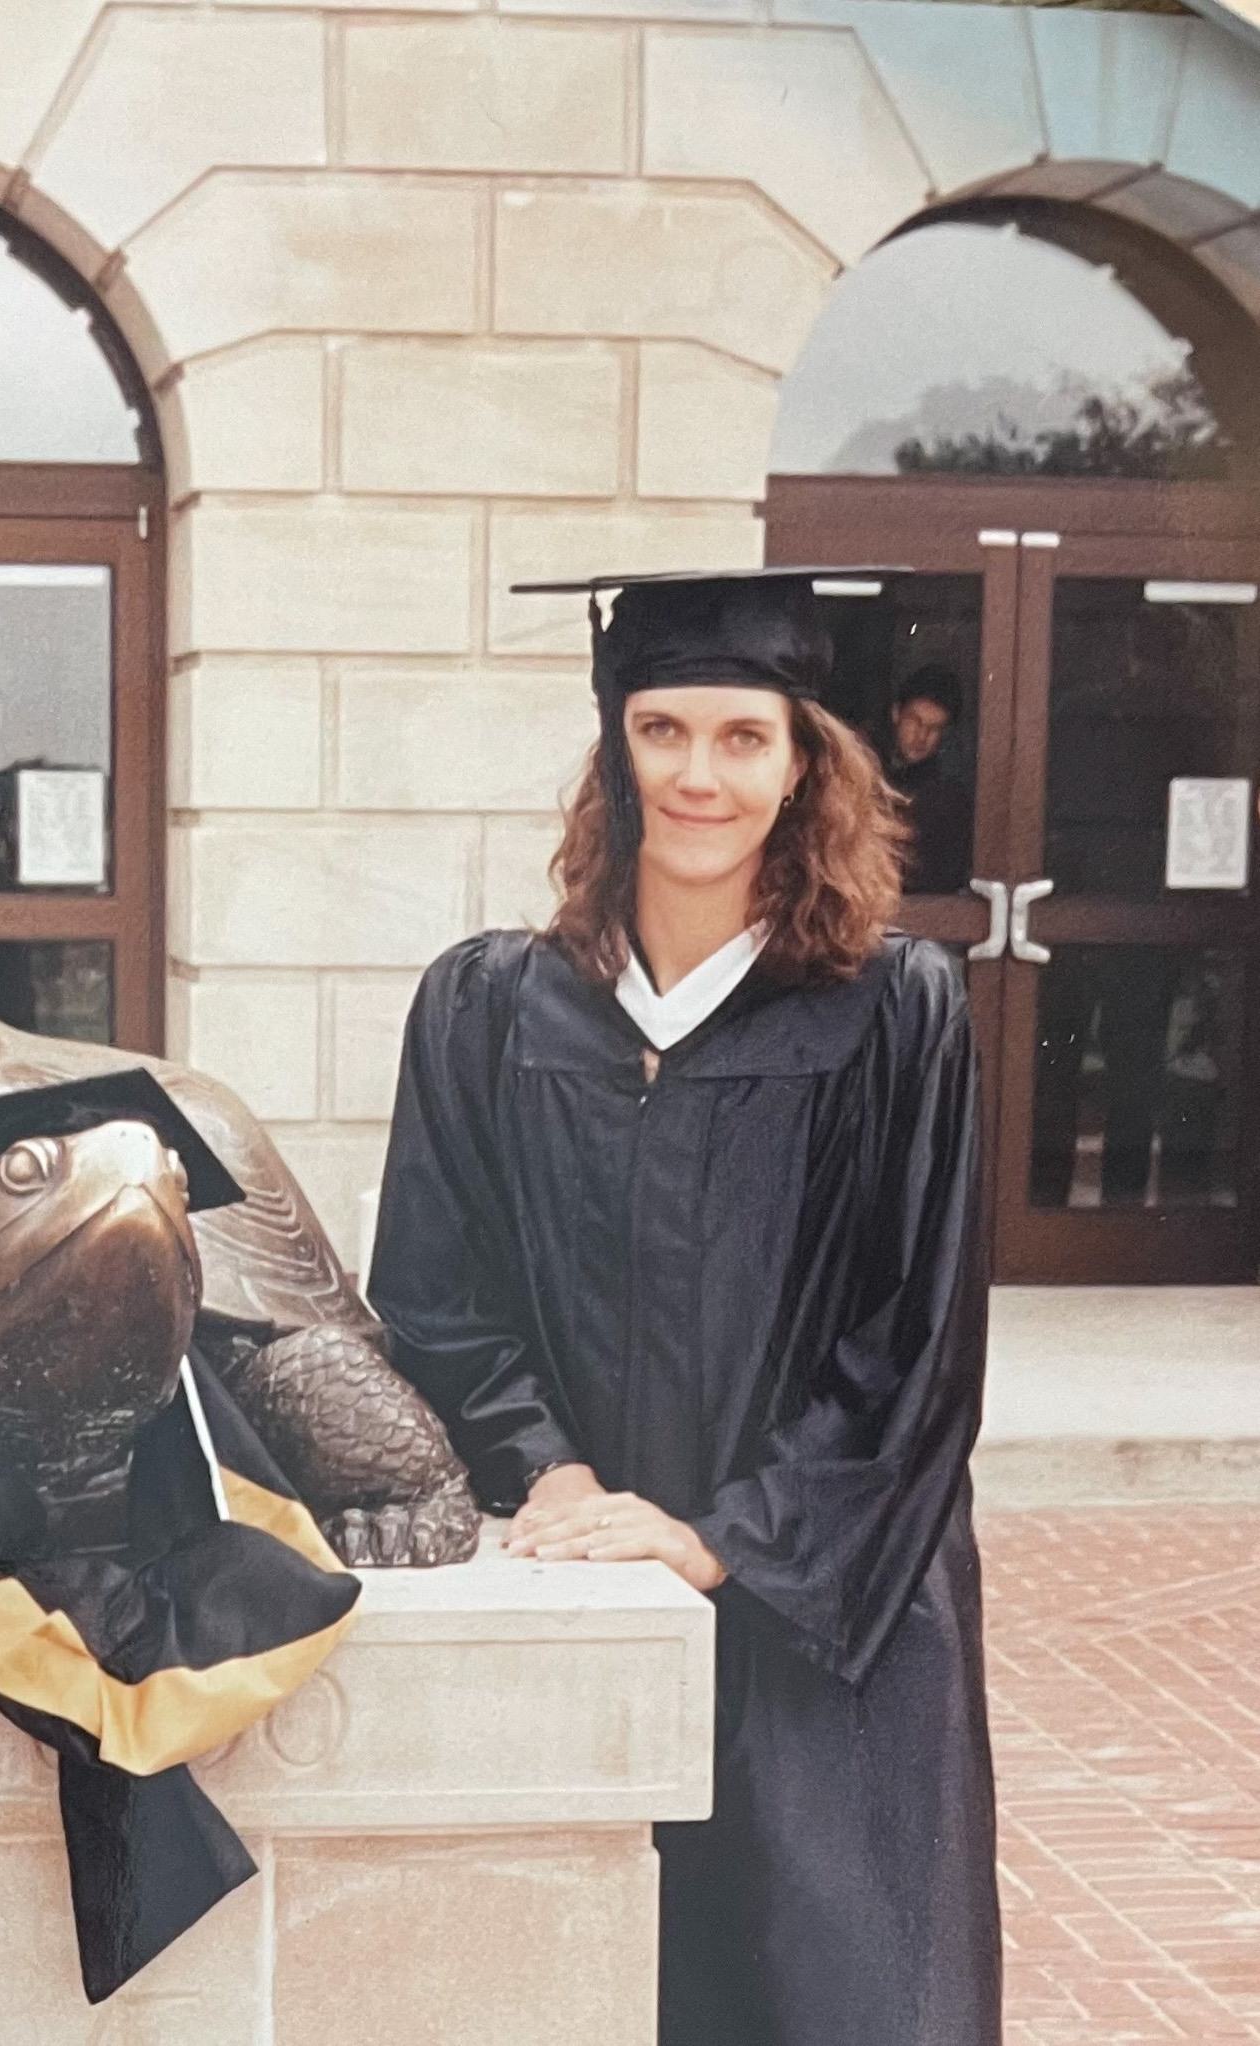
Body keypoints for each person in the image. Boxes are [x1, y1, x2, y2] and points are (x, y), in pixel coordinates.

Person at [368, 568, 1000, 2046]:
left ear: (803, 765)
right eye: (661, 728)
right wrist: (552, 1474)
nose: (698, 773)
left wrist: (723, 1535)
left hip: (827, 1600)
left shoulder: (895, 1013)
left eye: (741, 736)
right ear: (615, 745)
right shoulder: (485, 1008)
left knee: (837, 1997)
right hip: (577, 1572)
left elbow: (916, 1348)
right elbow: (434, 1294)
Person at [886, 662, 974, 895]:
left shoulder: (947, 797)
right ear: (896, 713)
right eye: (914, 721)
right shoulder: (863, 771)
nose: (921, 736)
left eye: (934, 728)